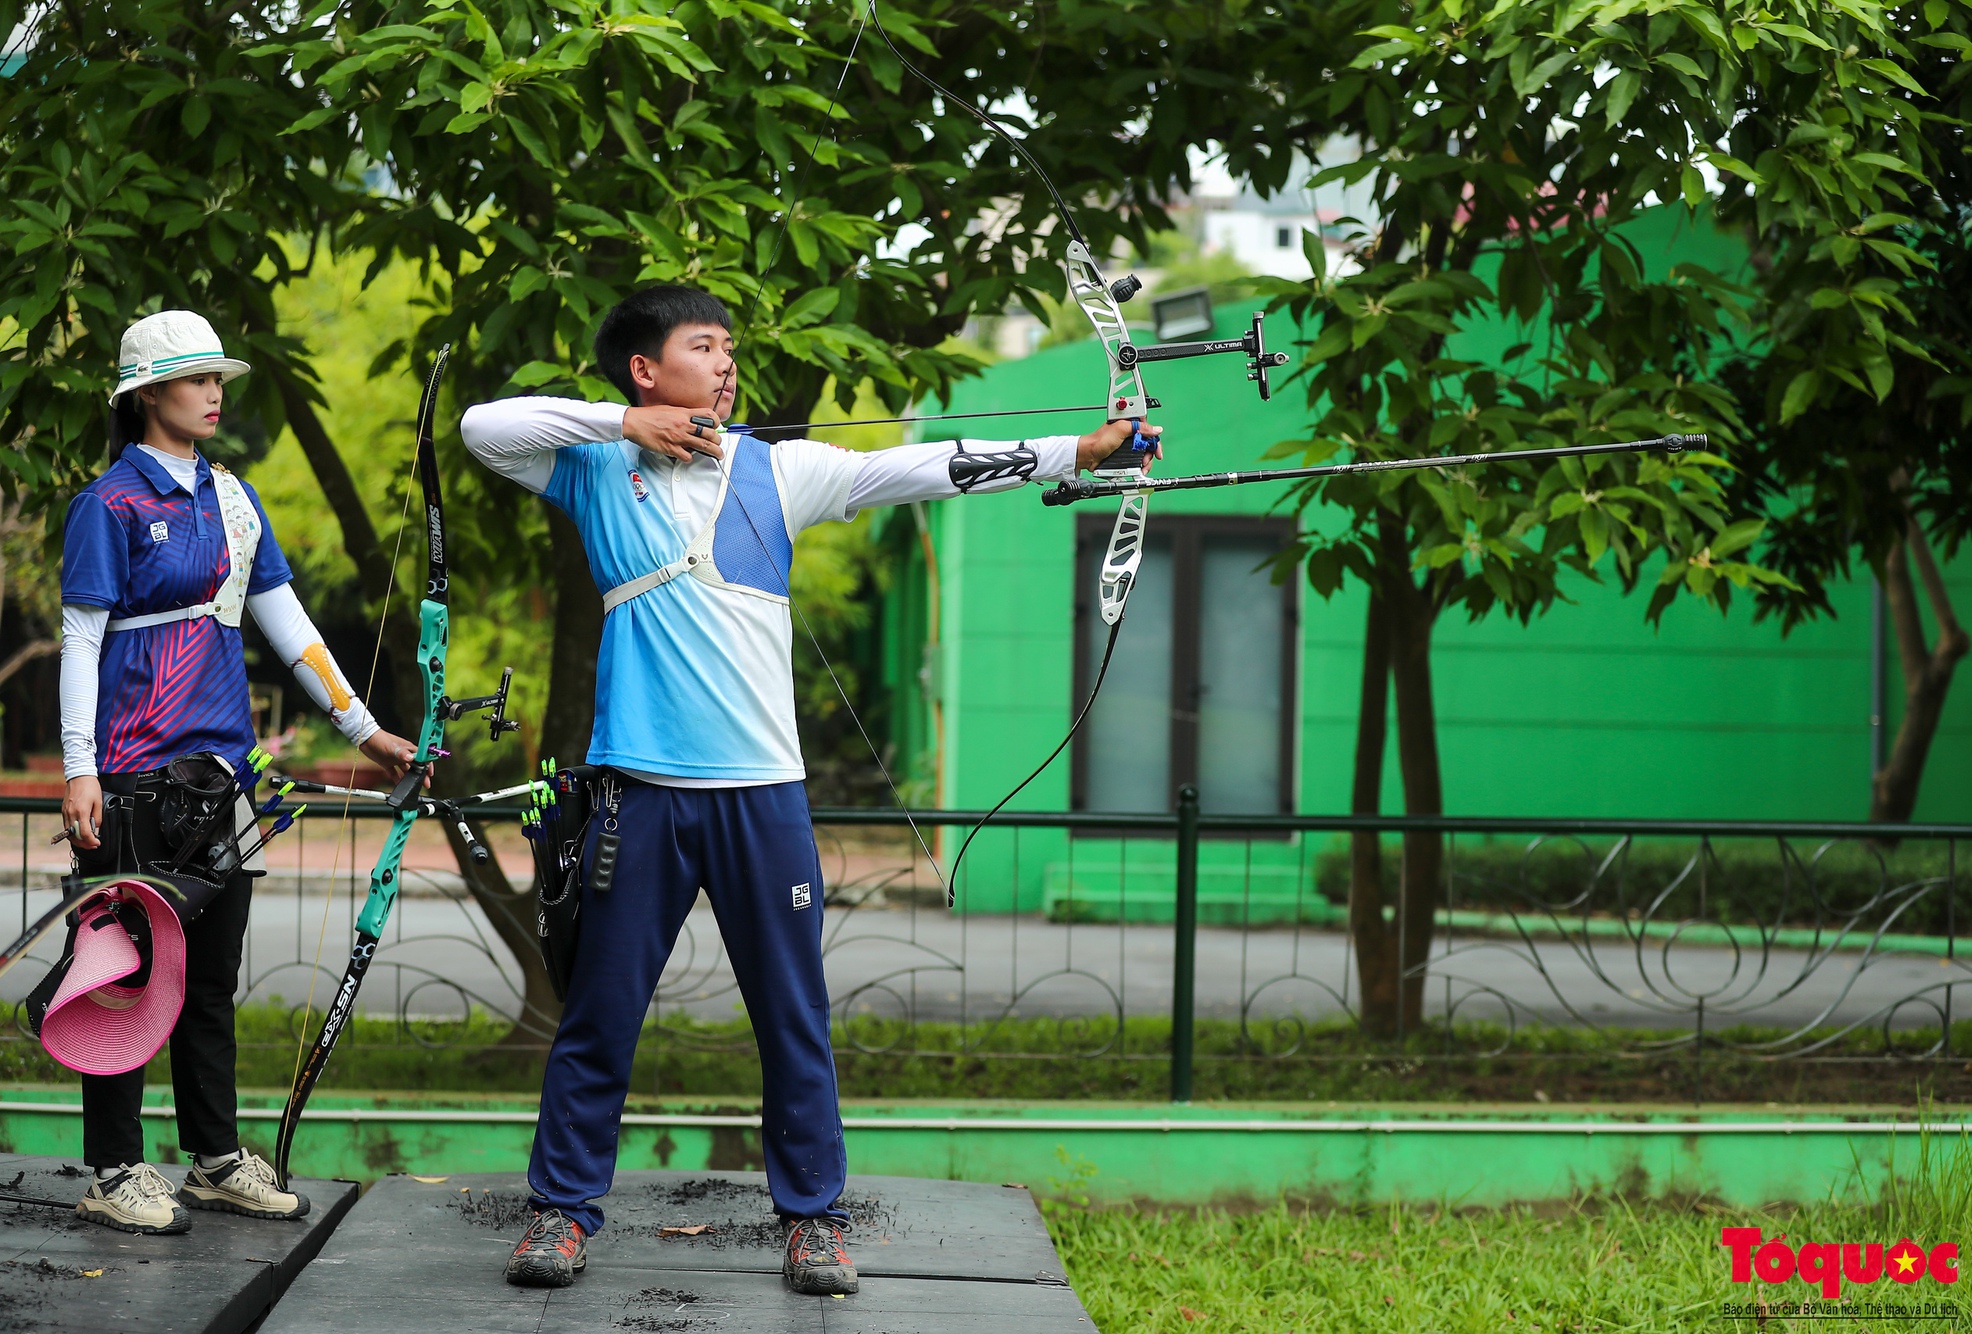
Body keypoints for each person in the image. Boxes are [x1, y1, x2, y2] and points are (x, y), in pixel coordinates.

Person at [462, 284, 1158, 1294]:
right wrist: (625, 421)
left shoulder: (779, 470)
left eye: (731, 347)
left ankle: (814, 1217)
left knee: (792, 1012)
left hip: (763, 797)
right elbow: (487, 425)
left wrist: (1085, 451)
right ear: (646, 368)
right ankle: (562, 1209)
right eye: (704, 346)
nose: (728, 362)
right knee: (600, 1011)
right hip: (640, 792)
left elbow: (926, 466)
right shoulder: (591, 470)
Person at [58, 309, 421, 1234]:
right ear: (147, 394)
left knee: (207, 981)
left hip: (220, 779)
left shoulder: (234, 499)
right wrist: (79, 768)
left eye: (220, 377)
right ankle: (112, 1170)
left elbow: (289, 626)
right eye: (194, 378)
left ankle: (214, 1158)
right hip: (134, 775)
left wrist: (366, 729)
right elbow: (81, 639)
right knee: (121, 978)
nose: (215, 392)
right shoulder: (109, 506)